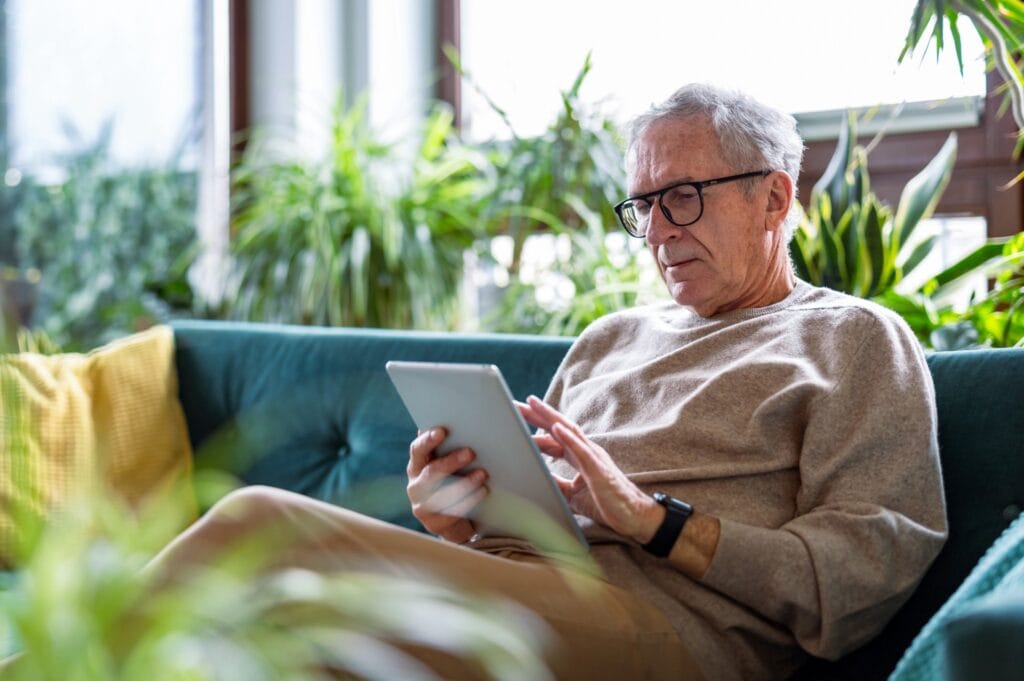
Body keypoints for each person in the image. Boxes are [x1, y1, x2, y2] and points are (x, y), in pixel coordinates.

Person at [147, 83, 947, 681]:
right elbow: (535, 527)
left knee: (258, 524)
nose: (660, 230)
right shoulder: (612, 338)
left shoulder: (854, 340)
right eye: (643, 206)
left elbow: (857, 577)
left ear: (774, 197)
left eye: (683, 198)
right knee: (262, 634)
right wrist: (455, 517)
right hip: (540, 598)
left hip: (672, 634)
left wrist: (653, 521)